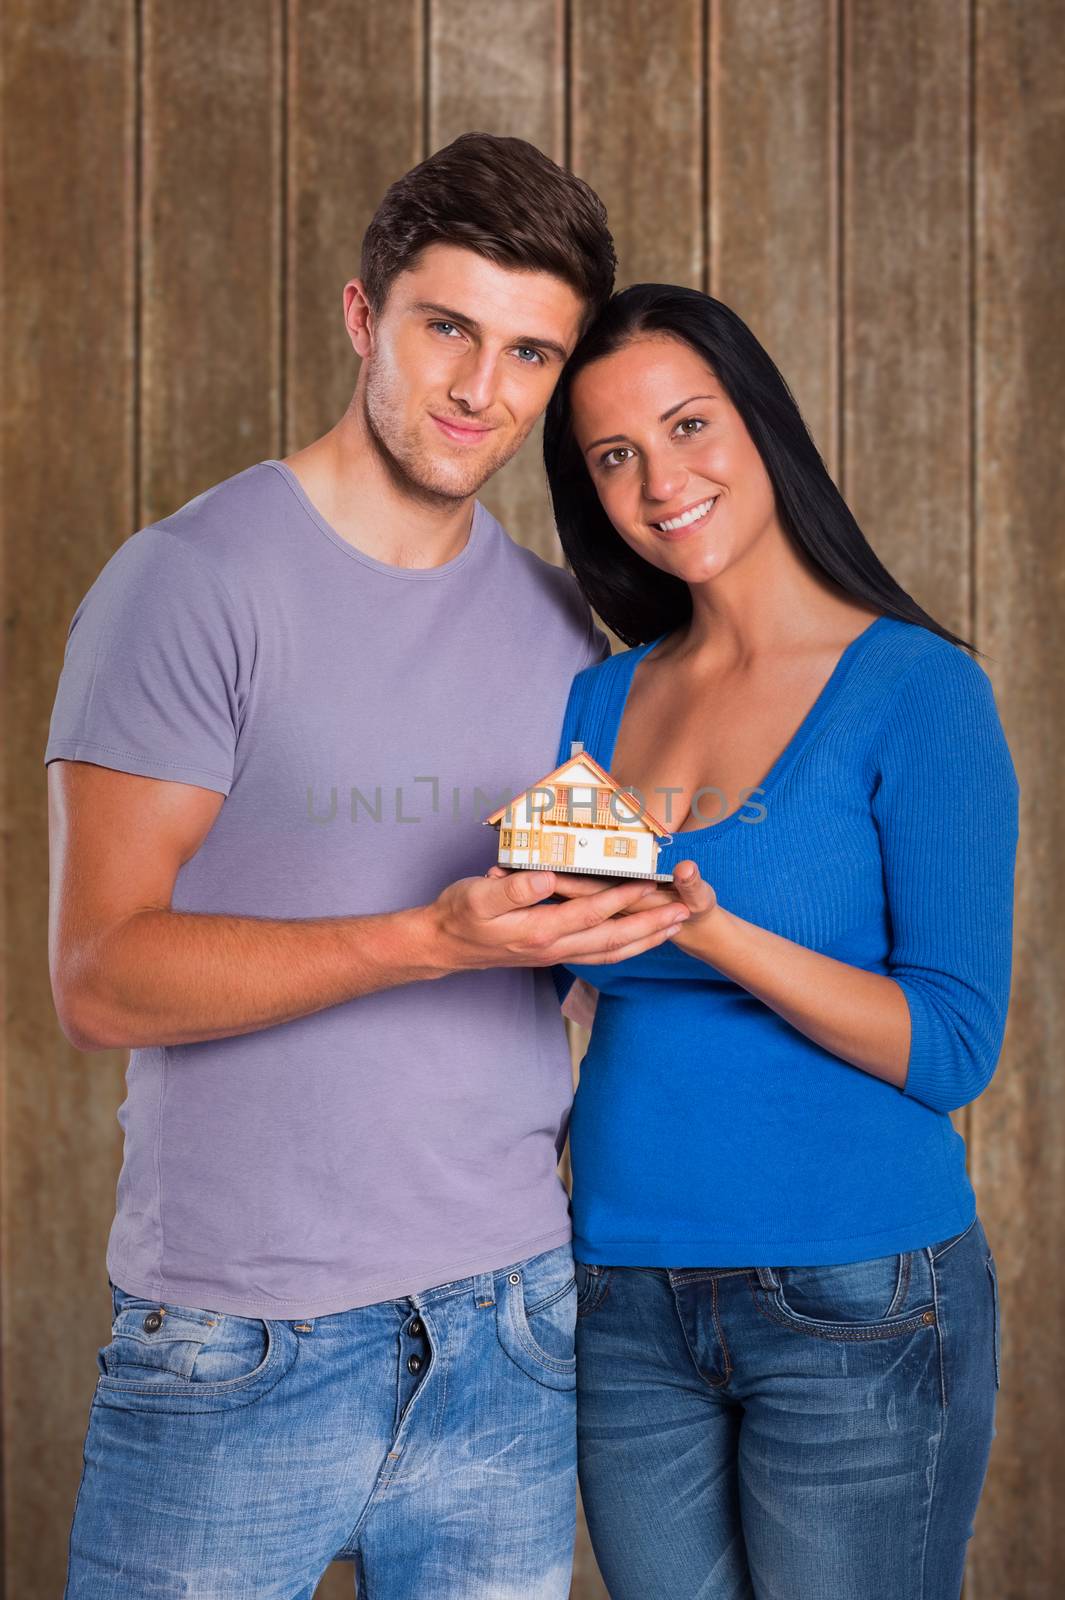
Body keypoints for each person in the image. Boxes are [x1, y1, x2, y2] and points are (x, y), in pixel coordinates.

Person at [44, 137, 693, 1600]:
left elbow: (569, 969)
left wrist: (621, 921)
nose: (480, 390)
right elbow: (98, 978)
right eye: (445, 328)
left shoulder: (558, 633)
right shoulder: (188, 586)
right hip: (240, 1339)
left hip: (515, 1326)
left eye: (530, 353)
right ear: (361, 316)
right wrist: (429, 939)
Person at [534, 282, 1018, 1599]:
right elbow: (580, 978)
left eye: (688, 426)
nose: (659, 479)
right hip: (621, 1291)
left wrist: (719, 931)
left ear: (760, 424)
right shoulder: (601, 691)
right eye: (613, 456)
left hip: (852, 1291)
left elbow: (952, 1046)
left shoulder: (919, 691)